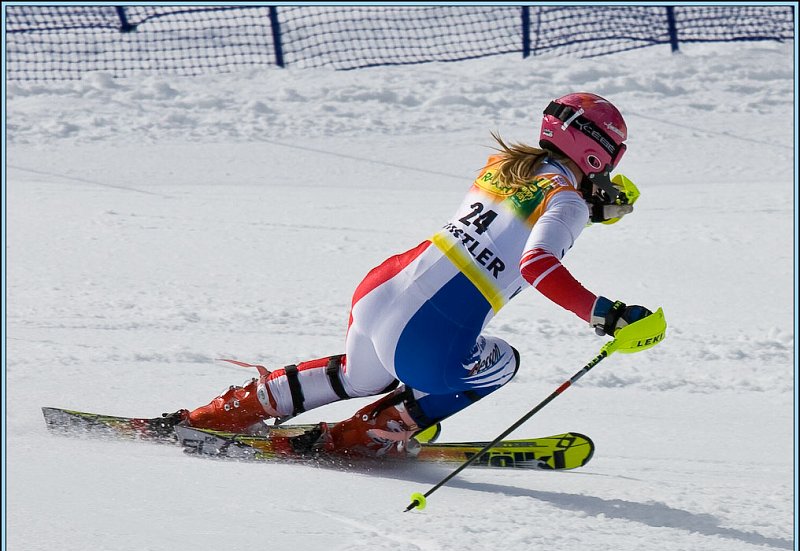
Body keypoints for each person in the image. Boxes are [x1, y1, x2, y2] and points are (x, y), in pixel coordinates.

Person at [154, 92, 653, 458]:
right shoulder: (567, 202)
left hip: (379, 292)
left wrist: (585, 202)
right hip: (427, 331)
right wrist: (605, 314)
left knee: (359, 374)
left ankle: (215, 416)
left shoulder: (505, 163)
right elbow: (537, 264)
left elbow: (519, 215)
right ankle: (364, 435)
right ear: (597, 153)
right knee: (502, 362)